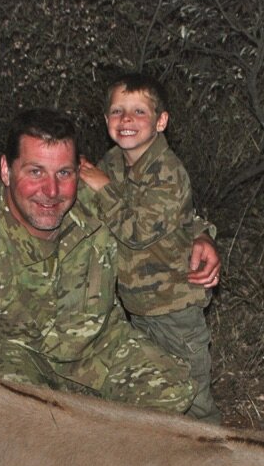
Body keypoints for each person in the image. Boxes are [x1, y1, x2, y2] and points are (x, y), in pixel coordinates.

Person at [0, 108, 220, 417]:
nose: (52, 190)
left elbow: (160, 216)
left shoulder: (98, 201)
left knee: (175, 390)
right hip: (15, 357)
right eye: (35, 172)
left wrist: (200, 236)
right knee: (25, 420)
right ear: (5, 170)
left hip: (98, 346)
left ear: (80, 169)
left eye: (64, 172)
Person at [79, 72, 222, 424]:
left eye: (139, 111)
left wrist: (102, 188)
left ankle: (216, 462)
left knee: (193, 398)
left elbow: (137, 230)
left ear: (161, 121)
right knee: (157, 398)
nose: (126, 120)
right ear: (105, 120)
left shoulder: (167, 171)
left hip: (174, 308)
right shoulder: (112, 162)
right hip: (136, 308)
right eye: (117, 111)